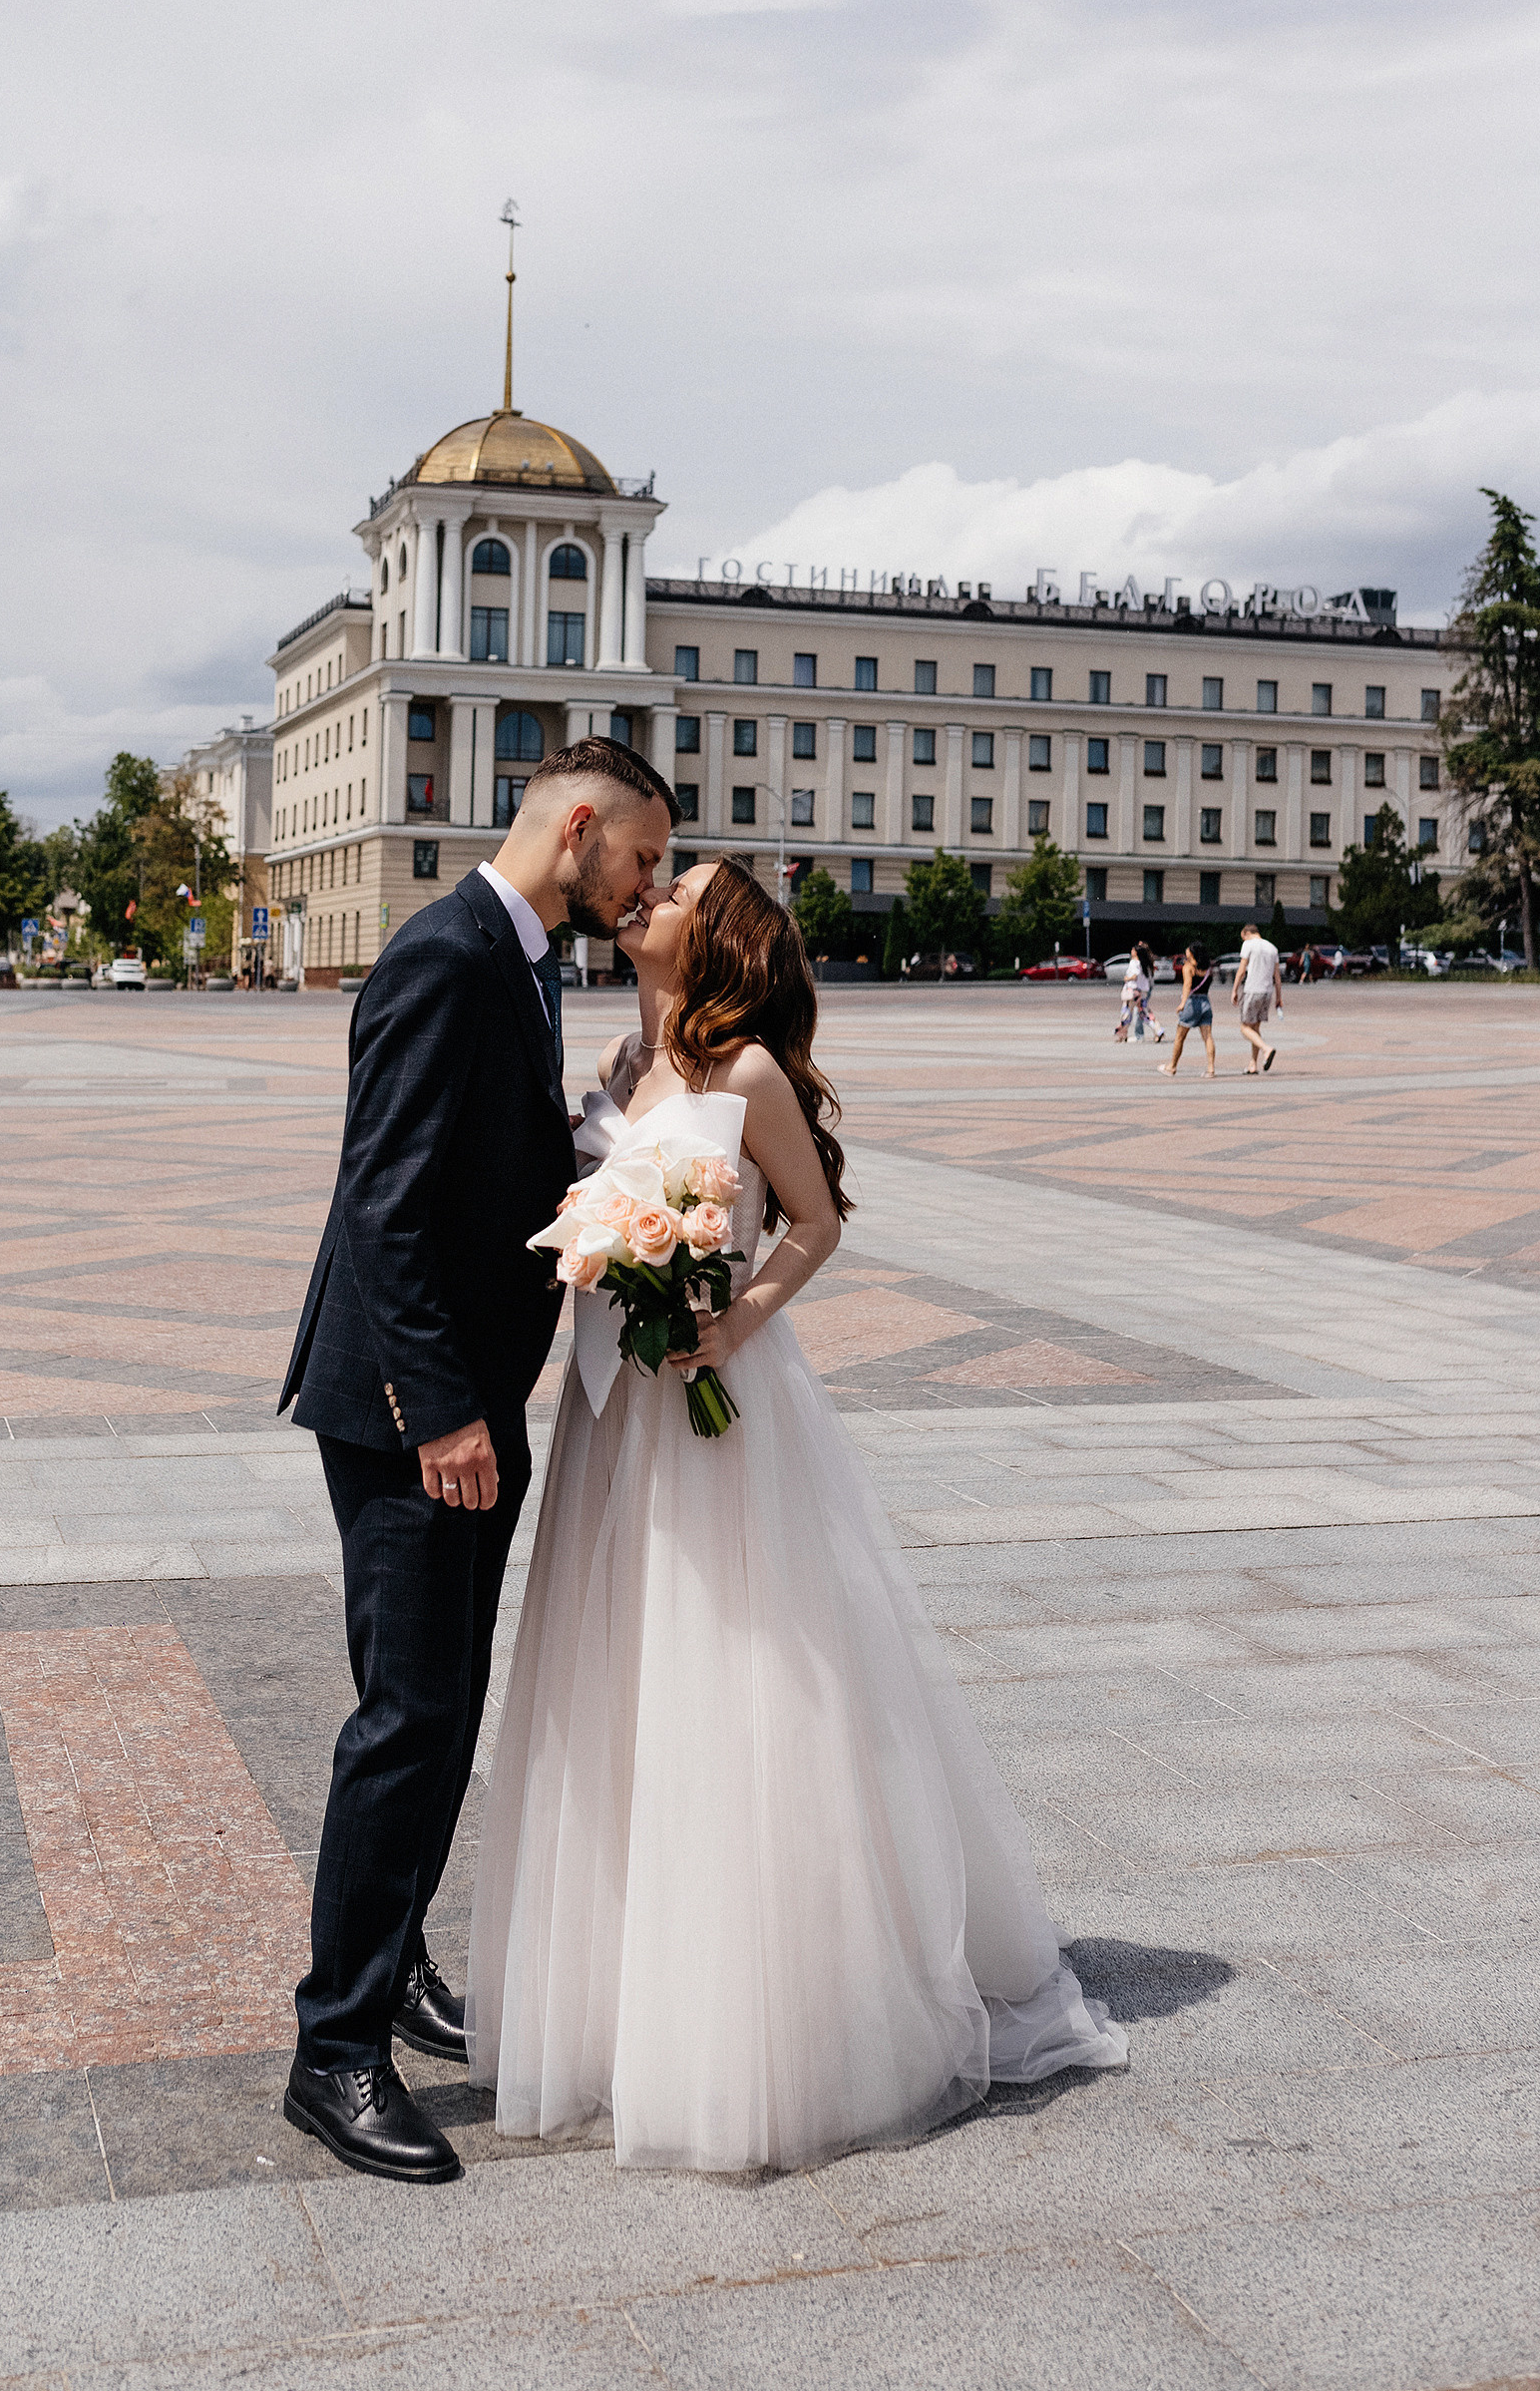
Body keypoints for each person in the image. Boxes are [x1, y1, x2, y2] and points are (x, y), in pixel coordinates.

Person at [467, 859, 1125, 2172]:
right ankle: (615, 1998)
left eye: (679, 891)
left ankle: (758, 2017)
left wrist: (733, 1318)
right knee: (613, 1685)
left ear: (720, 944)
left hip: (712, 1409)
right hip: (609, 1414)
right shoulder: (615, 1053)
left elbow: (815, 1222)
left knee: (737, 1678)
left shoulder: (750, 1076)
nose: (646, 895)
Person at [277, 737, 676, 2185]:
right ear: (580, 827)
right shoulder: (443, 954)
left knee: (443, 1718)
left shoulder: (521, 958)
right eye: (640, 859)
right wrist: (443, 1410)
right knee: (406, 1718)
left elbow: (485, 1167)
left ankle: (390, 1971)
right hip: (405, 1410)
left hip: (462, 1398)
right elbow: (380, 1201)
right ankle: (333, 2050)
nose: (646, 889)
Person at [1159, 939, 1217, 1078]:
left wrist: (1182, 1003)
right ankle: (1211, 1069)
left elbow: (1187, 986)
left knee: (1180, 1037)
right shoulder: (1208, 968)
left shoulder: (1188, 967)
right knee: (1208, 1037)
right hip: (1206, 1002)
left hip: (1192, 1003)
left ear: (1192, 952)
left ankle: (1172, 1067)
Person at [1232, 919, 1284, 1074]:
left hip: (1252, 990)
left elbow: (1242, 970)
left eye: (1243, 937)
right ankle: (1252, 1064)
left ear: (1247, 933)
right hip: (1267, 992)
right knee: (1255, 1028)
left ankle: (1266, 1049)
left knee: (1245, 1028)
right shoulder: (1272, 948)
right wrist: (1279, 997)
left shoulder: (1248, 944)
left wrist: (1234, 989)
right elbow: (1277, 977)